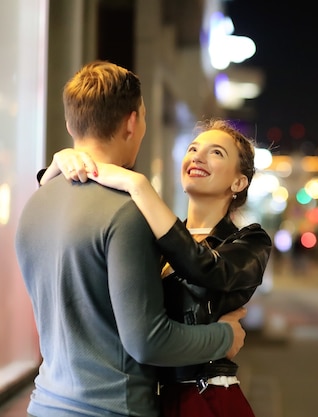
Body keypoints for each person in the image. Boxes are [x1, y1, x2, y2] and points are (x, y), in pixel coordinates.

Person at [14, 61, 246, 417]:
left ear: (69, 124)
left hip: (44, 403)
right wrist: (225, 336)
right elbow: (148, 342)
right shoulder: (127, 211)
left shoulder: (36, 201)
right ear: (132, 122)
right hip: (110, 408)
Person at [41, 118, 273, 417]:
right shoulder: (155, 237)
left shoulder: (250, 242)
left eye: (216, 153)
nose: (197, 157)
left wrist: (137, 185)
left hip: (207, 397)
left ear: (239, 182)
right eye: (193, 148)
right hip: (150, 399)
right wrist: (58, 168)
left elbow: (205, 268)